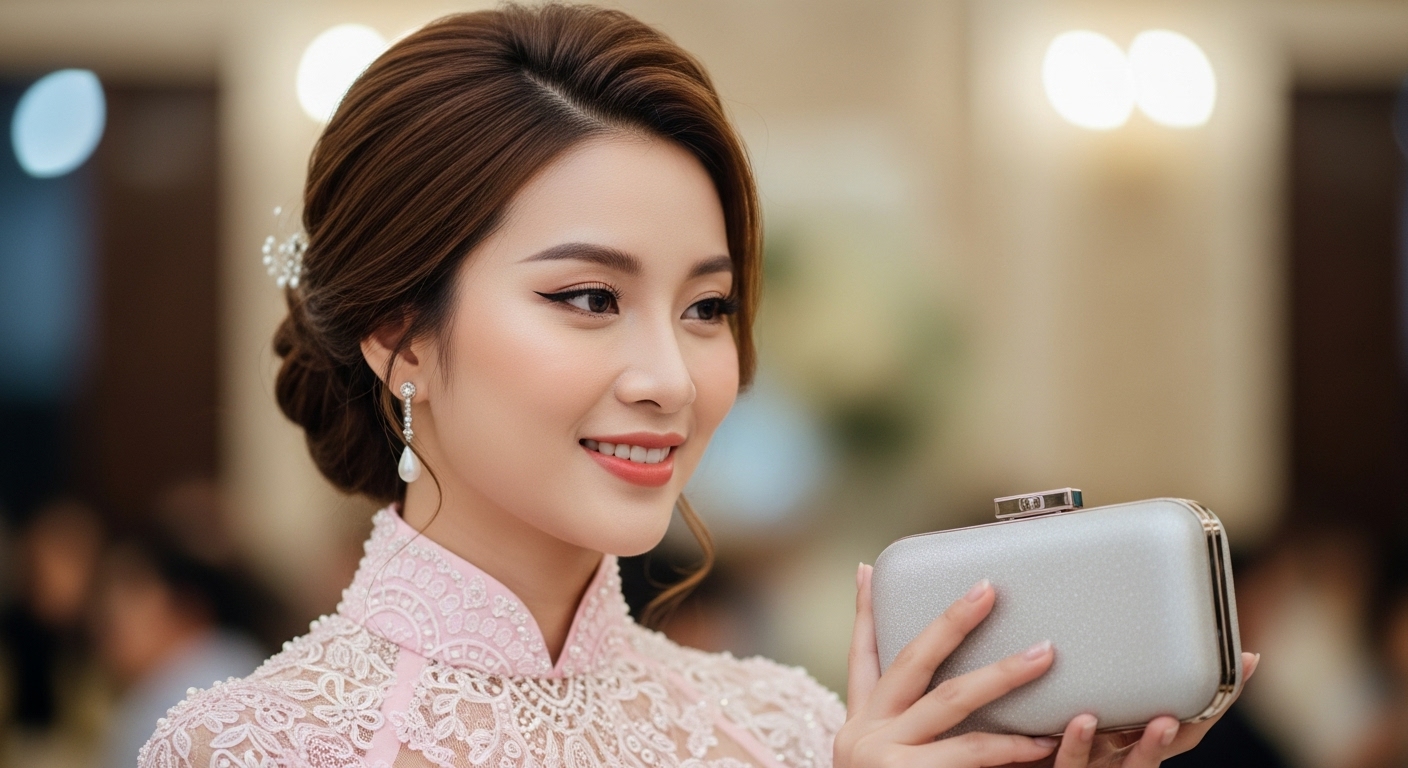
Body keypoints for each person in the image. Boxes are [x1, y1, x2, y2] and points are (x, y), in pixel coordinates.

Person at [139, 5, 1256, 767]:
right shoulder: (252, 748)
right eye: (589, 297)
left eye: (707, 307)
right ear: (400, 337)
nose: (672, 380)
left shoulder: (794, 732)